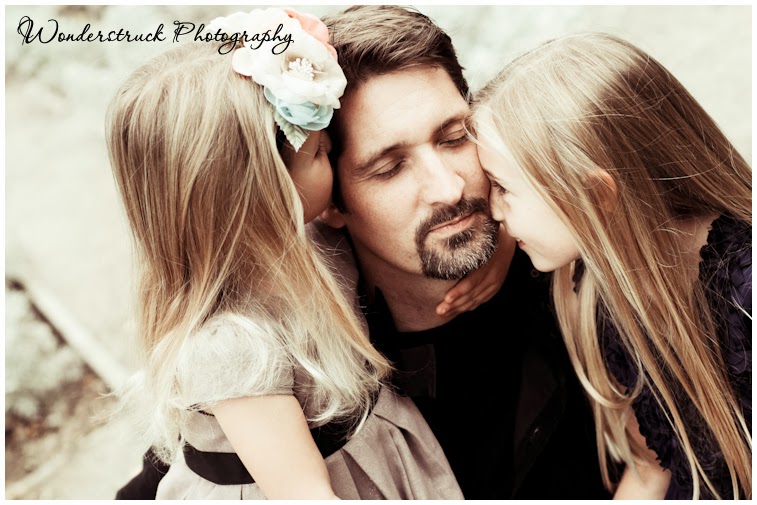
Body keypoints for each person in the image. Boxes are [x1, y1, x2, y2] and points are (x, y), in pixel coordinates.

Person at [116, 6, 609, 499]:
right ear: (325, 201)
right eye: (390, 168)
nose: (448, 188)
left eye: (455, 138)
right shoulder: (268, 333)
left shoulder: (573, 268)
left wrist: (507, 235)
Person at [107, 7, 467, 500]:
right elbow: (303, 492)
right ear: (260, 192)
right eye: (320, 153)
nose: (333, 158)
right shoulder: (231, 345)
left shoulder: (314, 245)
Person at [472, 32, 752, 499]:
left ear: (596, 195)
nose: (494, 212)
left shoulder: (747, 296)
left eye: (502, 188)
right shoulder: (597, 295)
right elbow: (651, 467)